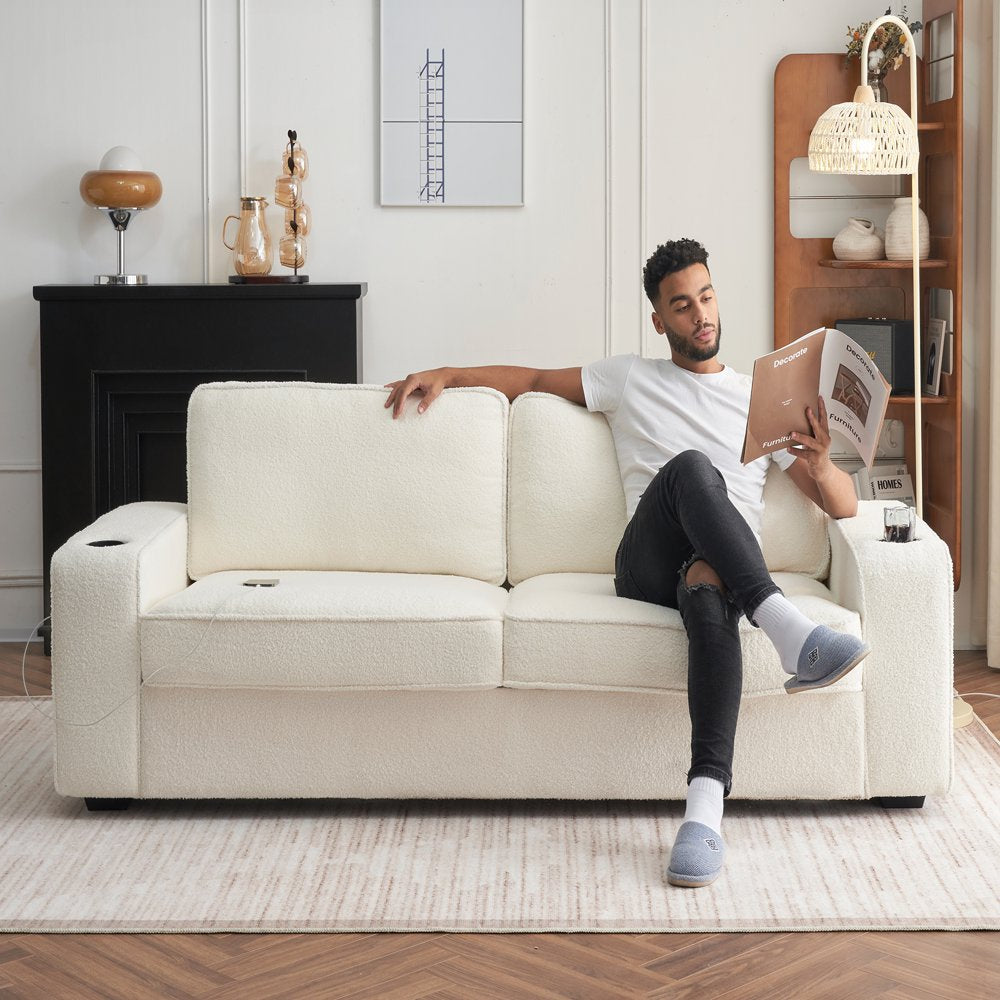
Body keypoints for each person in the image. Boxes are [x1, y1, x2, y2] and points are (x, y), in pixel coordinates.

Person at [383, 238, 869, 889]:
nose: (700, 314)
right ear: (659, 319)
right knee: (692, 470)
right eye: (681, 305)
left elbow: (844, 508)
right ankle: (785, 625)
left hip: (719, 571)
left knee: (711, 585)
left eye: (706, 296)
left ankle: (703, 815)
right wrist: (450, 372)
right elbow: (528, 381)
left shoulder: (762, 403)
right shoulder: (630, 377)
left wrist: (817, 462)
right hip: (646, 565)